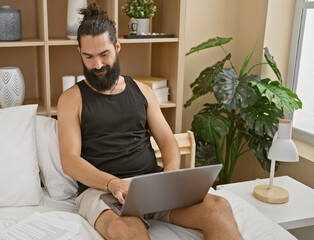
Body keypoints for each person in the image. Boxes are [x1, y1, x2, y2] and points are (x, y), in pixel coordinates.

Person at [57, 3, 242, 240]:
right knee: (128, 230)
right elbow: (70, 161)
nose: (98, 65)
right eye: (89, 57)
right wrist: (112, 183)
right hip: (100, 190)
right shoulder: (71, 99)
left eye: (104, 54)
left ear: (117, 46)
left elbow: (167, 140)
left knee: (219, 207)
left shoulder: (142, 91)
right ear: (80, 52)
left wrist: (170, 178)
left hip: (150, 186)